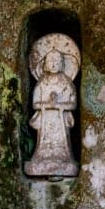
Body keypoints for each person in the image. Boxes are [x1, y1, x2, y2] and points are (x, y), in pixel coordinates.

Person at [24, 34, 80, 178]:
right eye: (51, 61)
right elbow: (35, 104)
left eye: (57, 61)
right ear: (45, 64)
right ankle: (41, 158)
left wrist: (60, 105)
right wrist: (48, 105)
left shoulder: (66, 82)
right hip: (46, 121)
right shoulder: (42, 83)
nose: (54, 64)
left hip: (61, 120)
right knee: (43, 145)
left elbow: (73, 104)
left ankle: (64, 159)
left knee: (63, 146)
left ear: (63, 64)